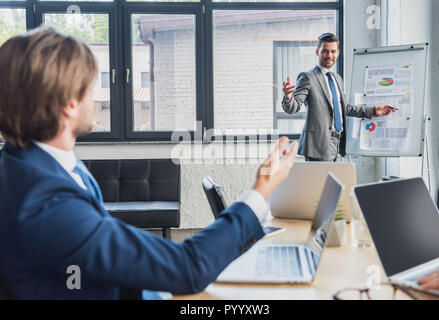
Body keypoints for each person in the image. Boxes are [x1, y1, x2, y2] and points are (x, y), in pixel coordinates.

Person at [0, 27, 298, 300]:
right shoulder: (45, 203)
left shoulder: (37, 163)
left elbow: (105, 252)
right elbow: (186, 268)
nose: (97, 97)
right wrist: (261, 190)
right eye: (89, 88)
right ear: (69, 105)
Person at [282, 33, 397, 162]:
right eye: (325, 51)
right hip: (318, 144)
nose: (329, 55)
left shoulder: (337, 78)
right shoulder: (308, 77)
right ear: (317, 51)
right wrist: (288, 97)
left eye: (332, 51)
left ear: (338, 52)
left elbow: (344, 108)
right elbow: (294, 107)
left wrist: (374, 110)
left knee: (331, 181)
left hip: (337, 142)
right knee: (321, 182)